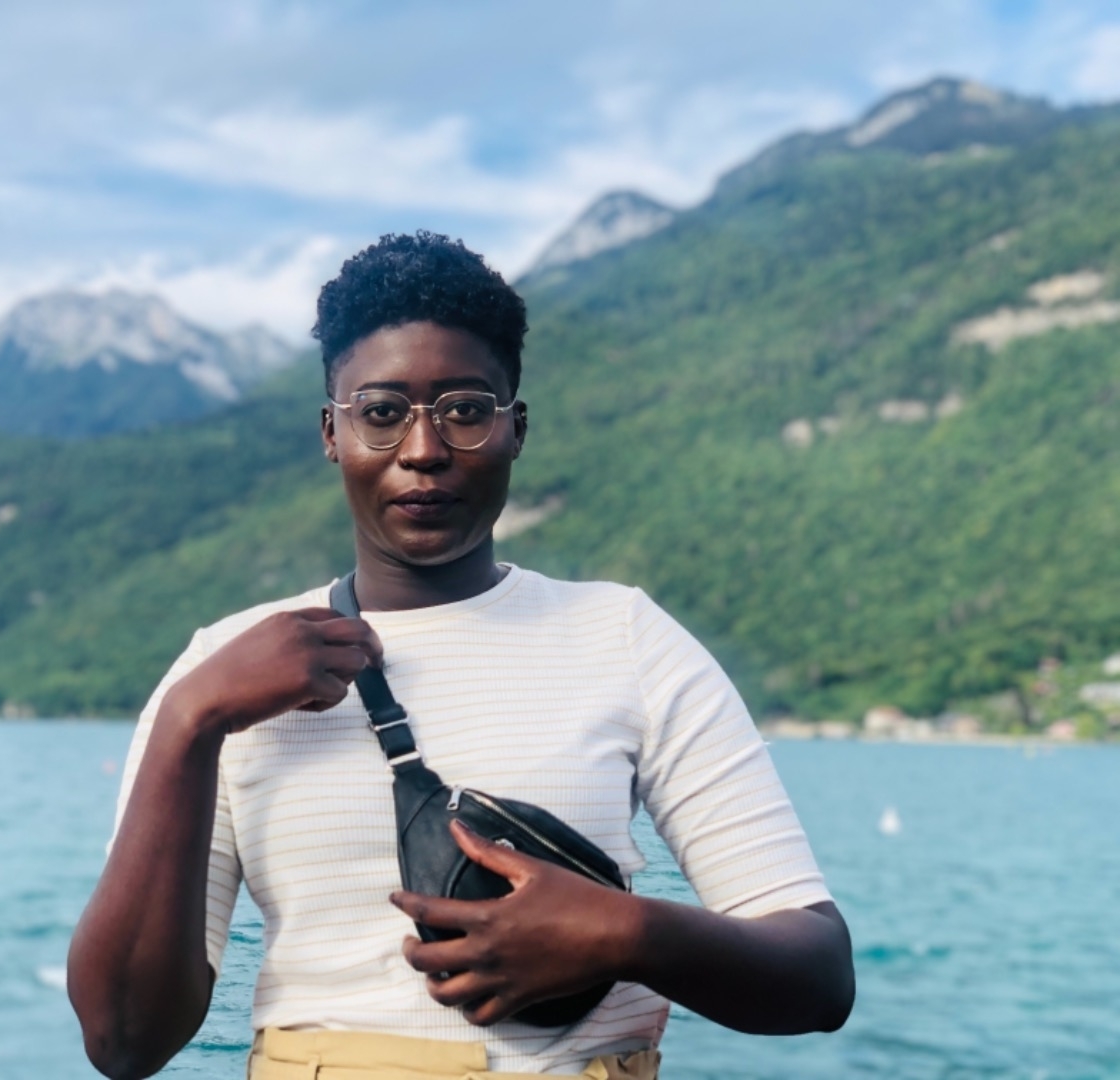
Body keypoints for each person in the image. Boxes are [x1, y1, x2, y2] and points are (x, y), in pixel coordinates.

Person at [67, 232, 854, 1080]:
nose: (423, 450)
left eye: (466, 411)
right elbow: (123, 1041)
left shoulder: (625, 636)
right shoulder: (223, 671)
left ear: (517, 429)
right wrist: (190, 721)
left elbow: (818, 977)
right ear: (332, 432)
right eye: (381, 413)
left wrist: (628, 932)